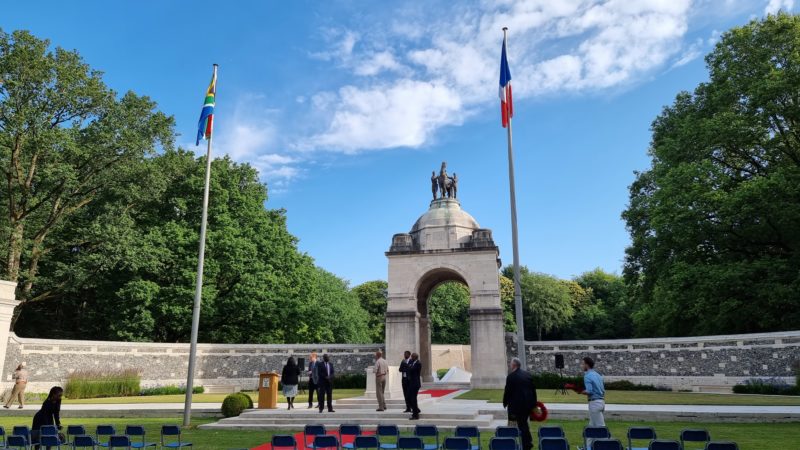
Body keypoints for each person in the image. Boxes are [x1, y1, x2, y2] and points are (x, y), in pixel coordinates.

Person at [502, 358, 537, 450]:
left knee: (517, 425)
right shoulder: (527, 375)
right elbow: (533, 391)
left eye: (510, 364)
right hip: (527, 405)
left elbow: (507, 392)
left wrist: (505, 402)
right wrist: (534, 404)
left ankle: (519, 443)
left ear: (514, 365)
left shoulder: (511, 377)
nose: (510, 365)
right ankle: (528, 442)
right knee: (524, 424)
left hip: (516, 407)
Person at [580, 356, 606, 430]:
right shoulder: (598, 375)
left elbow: (589, 391)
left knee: (601, 427)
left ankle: (607, 441)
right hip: (601, 402)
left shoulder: (587, 376)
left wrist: (580, 391)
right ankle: (588, 442)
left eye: (582, 364)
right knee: (591, 426)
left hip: (594, 403)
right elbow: (603, 391)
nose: (581, 366)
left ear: (587, 365)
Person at [406, 352, 422, 420]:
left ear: (415, 357)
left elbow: (412, 369)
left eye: (412, 357)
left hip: (415, 384)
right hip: (411, 383)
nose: (411, 358)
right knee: (408, 397)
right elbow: (408, 368)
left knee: (413, 399)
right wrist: (409, 366)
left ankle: (415, 415)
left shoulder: (418, 363)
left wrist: (409, 367)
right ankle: (416, 409)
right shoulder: (412, 363)